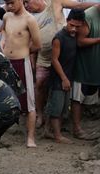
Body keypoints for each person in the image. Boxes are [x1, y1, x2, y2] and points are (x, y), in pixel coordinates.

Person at [24, 0, 97, 128]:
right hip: (44, 57)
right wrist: (32, 60)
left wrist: (96, 5)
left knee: (61, 88)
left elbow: (79, 5)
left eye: (27, 2)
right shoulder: (29, 17)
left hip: (65, 58)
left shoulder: (55, 3)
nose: (26, 6)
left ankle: (59, 119)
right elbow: (30, 41)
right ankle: (40, 115)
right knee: (40, 84)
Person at [1, 0, 41, 148]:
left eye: (11, 3)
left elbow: (38, 44)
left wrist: (23, 52)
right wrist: (4, 40)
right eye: (7, 3)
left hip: (22, 63)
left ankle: (30, 138)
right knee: (3, 97)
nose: (9, 6)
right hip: (6, 62)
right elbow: (3, 30)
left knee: (29, 102)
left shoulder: (29, 19)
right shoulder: (7, 16)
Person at [44, 9, 85, 144]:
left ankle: (49, 131)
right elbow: (54, 60)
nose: (74, 29)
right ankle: (57, 135)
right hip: (58, 78)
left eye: (77, 27)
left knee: (62, 108)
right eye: (72, 25)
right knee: (56, 108)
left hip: (68, 76)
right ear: (67, 21)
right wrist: (64, 78)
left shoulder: (74, 36)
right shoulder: (59, 37)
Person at [72, 4, 100, 139]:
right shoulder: (89, 16)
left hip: (96, 65)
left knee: (89, 97)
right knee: (78, 98)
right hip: (84, 65)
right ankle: (76, 129)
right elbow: (80, 41)